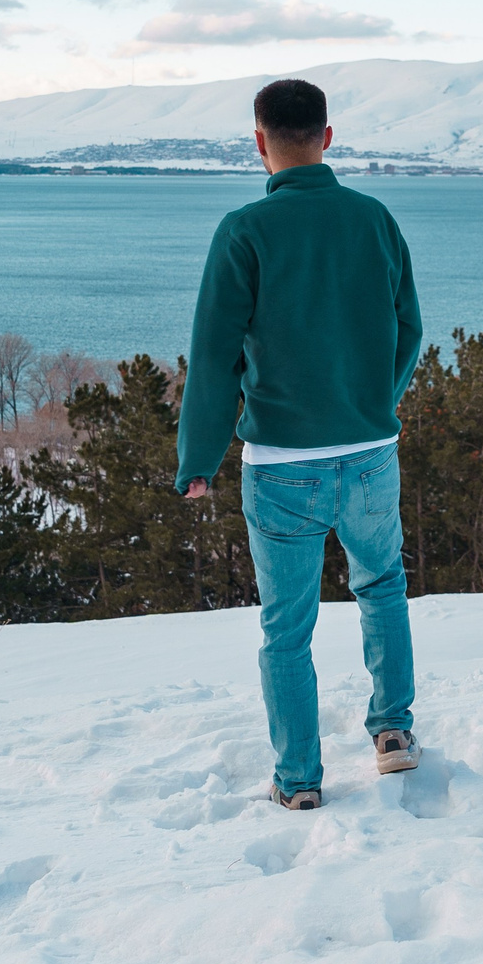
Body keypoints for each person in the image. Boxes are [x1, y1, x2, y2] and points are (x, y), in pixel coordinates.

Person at [174, 78, 424, 811]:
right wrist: (373, 403)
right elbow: (409, 328)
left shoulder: (244, 231)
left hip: (281, 465)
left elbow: (213, 355)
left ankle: (300, 780)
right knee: (382, 587)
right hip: (370, 452)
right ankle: (393, 733)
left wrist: (198, 458)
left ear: (259, 141)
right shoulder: (374, 219)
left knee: (286, 627)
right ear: (328, 136)